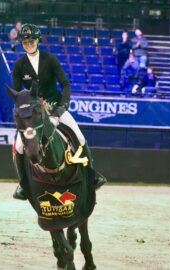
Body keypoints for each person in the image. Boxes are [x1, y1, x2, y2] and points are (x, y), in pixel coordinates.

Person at [11, 23, 106, 200]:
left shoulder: (50, 59)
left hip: (55, 108)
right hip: (34, 114)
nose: (28, 44)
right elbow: (18, 94)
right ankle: (23, 185)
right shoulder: (19, 65)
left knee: (79, 136)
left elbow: (65, 84)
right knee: (19, 146)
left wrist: (63, 105)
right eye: (25, 42)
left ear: (37, 40)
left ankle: (91, 175)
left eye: (31, 41)